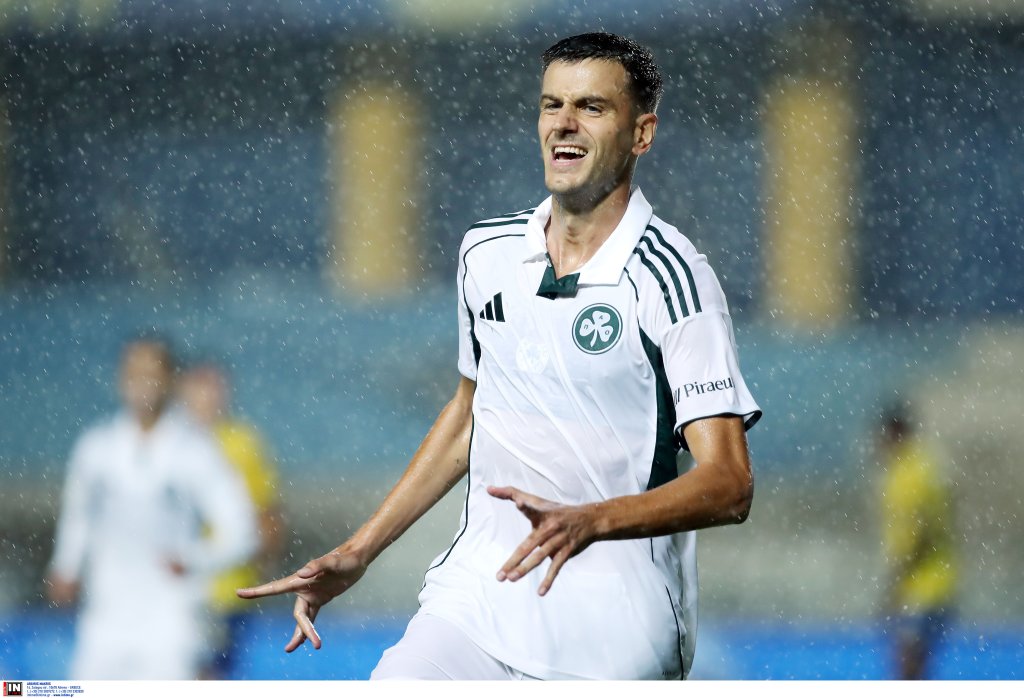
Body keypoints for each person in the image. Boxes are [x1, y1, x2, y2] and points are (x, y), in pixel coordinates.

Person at [239, 32, 761, 680]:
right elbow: (468, 416)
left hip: (613, 634)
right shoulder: (485, 253)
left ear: (641, 134)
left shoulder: (673, 278)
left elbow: (729, 484)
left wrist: (591, 521)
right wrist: (360, 550)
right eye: (551, 105)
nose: (564, 123)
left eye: (592, 107)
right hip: (476, 605)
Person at [45, 336, 257, 680]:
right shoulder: (96, 448)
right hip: (105, 618)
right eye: (134, 374)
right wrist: (66, 566)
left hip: (170, 621)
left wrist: (194, 559)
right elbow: (78, 515)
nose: (142, 384)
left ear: (171, 380)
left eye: (152, 374)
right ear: (120, 379)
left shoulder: (196, 451)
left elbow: (242, 532)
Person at [177, 360, 285, 679]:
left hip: (229, 586)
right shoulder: (169, 442)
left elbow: (267, 511)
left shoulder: (243, 443)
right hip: (175, 585)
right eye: (201, 386)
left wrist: (265, 568)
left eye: (215, 387)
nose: (208, 396)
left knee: (212, 673)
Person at [877, 400, 958, 680]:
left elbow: (918, 533)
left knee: (907, 663)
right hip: (942, 580)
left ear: (893, 434)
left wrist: (896, 582)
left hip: (919, 586)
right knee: (918, 663)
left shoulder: (906, 475)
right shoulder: (929, 467)